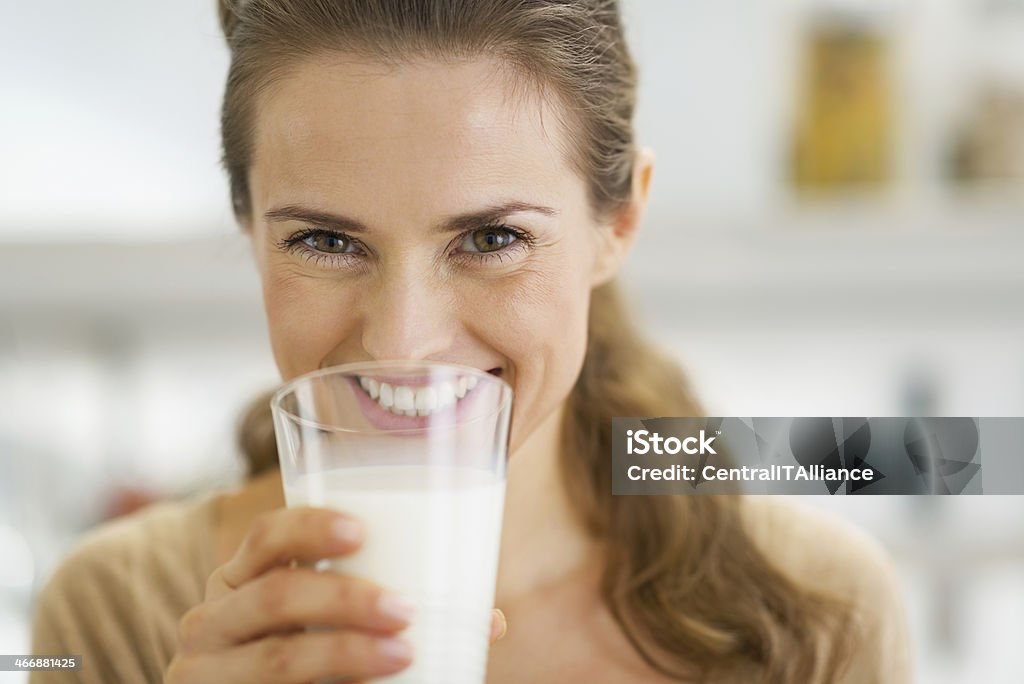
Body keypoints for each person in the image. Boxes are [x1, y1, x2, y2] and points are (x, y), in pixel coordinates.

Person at [30, 1, 913, 682]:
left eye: (491, 239)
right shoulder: (116, 614)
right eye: (326, 242)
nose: (404, 342)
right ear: (249, 227)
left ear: (622, 219)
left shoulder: (817, 609)